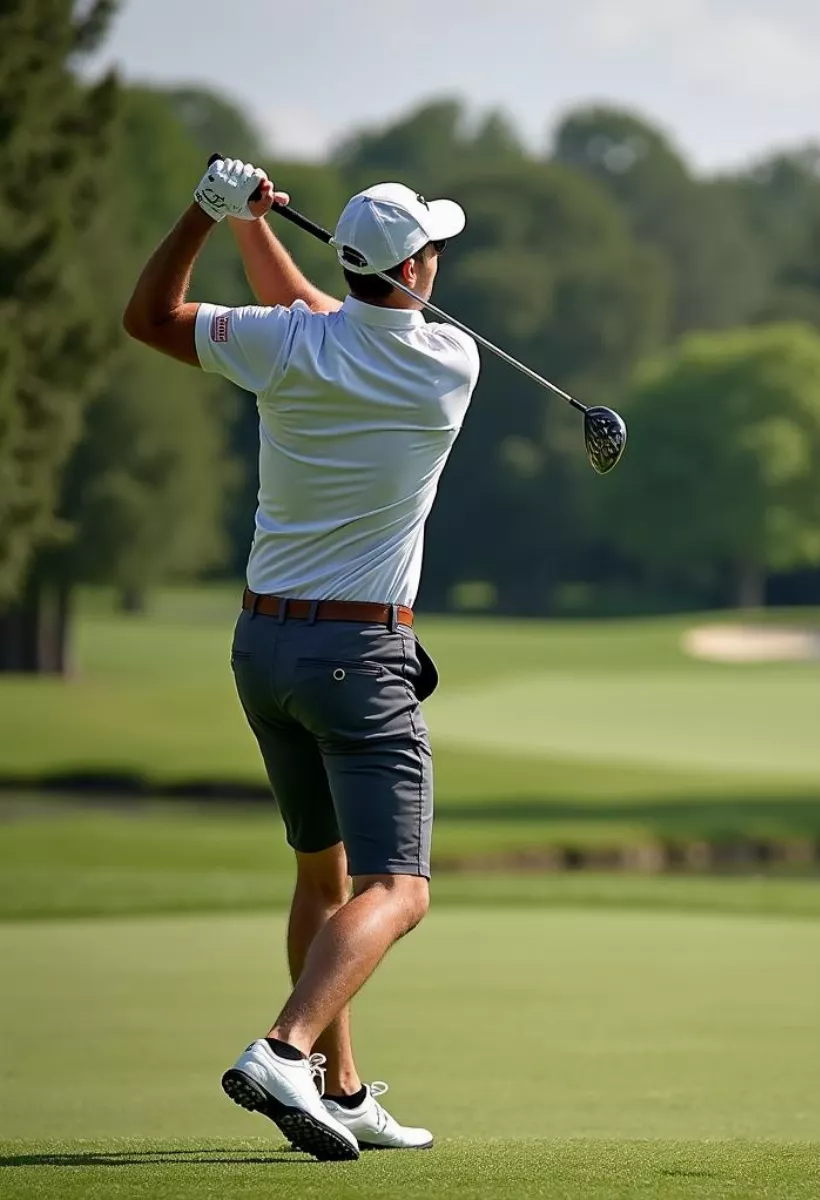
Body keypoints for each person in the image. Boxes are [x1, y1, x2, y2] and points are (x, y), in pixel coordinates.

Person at [123, 157, 480, 1160]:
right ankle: (286, 1050)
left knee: (322, 876)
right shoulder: (450, 361)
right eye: (433, 250)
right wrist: (246, 225)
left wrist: (215, 218)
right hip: (359, 656)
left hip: (262, 649)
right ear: (412, 273)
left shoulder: (283, 347)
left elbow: (154, 319)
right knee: (398, 889)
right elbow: (338, 313)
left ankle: (344, 1084)